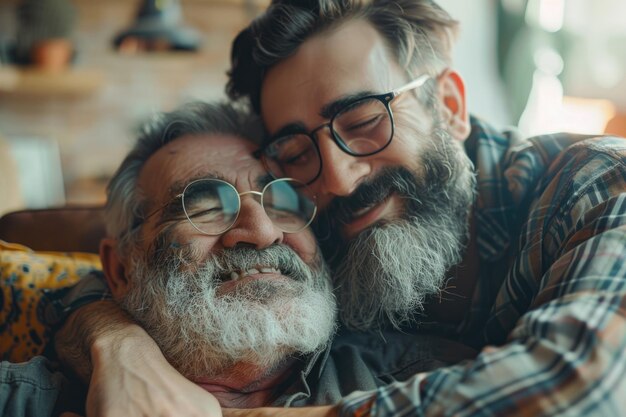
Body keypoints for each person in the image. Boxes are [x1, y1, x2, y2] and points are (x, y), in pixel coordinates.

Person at [51, 0, 626, 416]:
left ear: (449, 105)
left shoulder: (596, 183)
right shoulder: (319, 229)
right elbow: (133, 274)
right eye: (298, 151)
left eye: (364, 121)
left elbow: (587, 389)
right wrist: (120, 348)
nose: (340, 178)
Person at [1, 101, 472, 417]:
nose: (264, 232)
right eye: (204, 206)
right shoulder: (30, 399)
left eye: (285, 202)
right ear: (122, 269)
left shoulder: (434, 383)